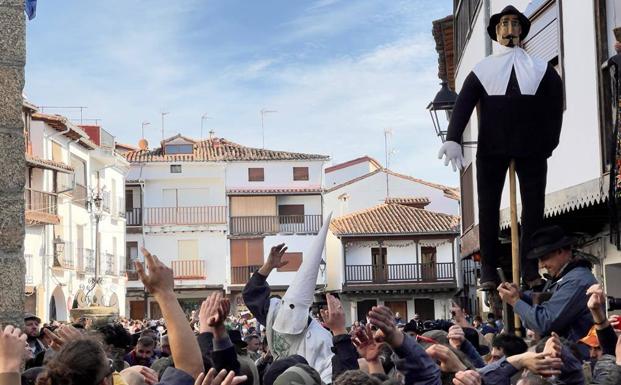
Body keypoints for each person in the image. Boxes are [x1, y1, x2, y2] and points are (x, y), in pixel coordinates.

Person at [438, 4, 564, 289]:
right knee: (488, 207)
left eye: (514, 24)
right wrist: (453, 137)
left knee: (534, 208)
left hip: (531, 146)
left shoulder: (540, 68)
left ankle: (530, 267)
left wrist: (550, 140)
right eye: (504, 24)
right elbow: (464, 103)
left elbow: (555, 104)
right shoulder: (483, 69)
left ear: (521, 30)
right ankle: (489, 269)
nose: (509, 29)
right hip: (492, 146)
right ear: (496, 31)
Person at [242, 217, 334, 383]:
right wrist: (267, 267)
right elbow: (251, 294)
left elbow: (329, 374)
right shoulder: (276, 314)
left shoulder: (321, 338)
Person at [498, 226, 597, 345]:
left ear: (560, 251)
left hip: (576, 357)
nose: (541, 265)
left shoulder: (577, 280)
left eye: (544, 257)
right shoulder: (562, 275)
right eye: (539, 260)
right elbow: (543, 302)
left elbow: (544, 322)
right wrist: (519, 295)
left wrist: (515, 301)